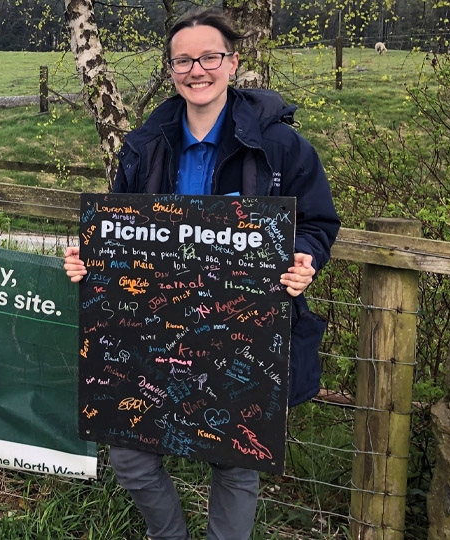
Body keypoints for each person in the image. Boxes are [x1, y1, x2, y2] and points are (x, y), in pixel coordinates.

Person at [63, 8, 341, 540]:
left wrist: (303, 257)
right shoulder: (145, 144)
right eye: (183, 60)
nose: (197, 70)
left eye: (209, 57)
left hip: (243, 333)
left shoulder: (280, 146)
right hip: (151, 331)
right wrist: (88, 260)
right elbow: (118, 229)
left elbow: (317, 222)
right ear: (170, 70)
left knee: (236, 463)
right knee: (128, 454)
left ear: (232, 63)